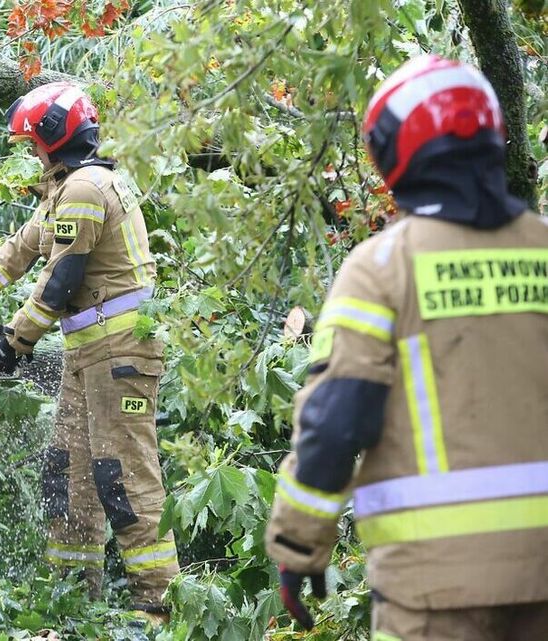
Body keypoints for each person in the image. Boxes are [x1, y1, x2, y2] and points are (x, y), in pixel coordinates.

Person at [266, 54, 548, 640]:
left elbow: (337, 423)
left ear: (397, 155)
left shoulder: (383, 269)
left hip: (434, 587)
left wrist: (298, 545)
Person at [0, 82, 178, 621]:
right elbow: (16, 253)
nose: (30, 152)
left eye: (31, 142)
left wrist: (12, 344)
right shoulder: (66, 190)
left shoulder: (88, 188)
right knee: (68, 473)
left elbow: (60, 282)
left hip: (122, 356)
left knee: (123, 473)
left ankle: (155, 610)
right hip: (87, 355)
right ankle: (71, 600)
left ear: (51, 136)